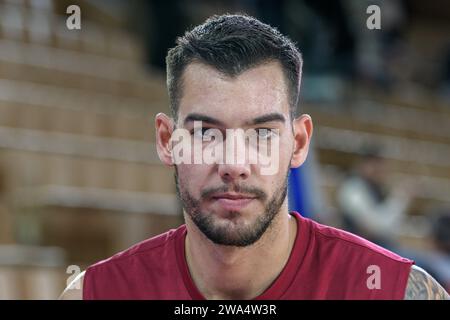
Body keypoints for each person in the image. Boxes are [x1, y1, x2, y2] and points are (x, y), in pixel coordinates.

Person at [60, 14, 448, 300]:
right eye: (206, 133)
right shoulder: (97, 294)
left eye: (262, 133)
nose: (234, 164)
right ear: (167, 141)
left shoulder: (394, 292)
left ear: (298, 143)